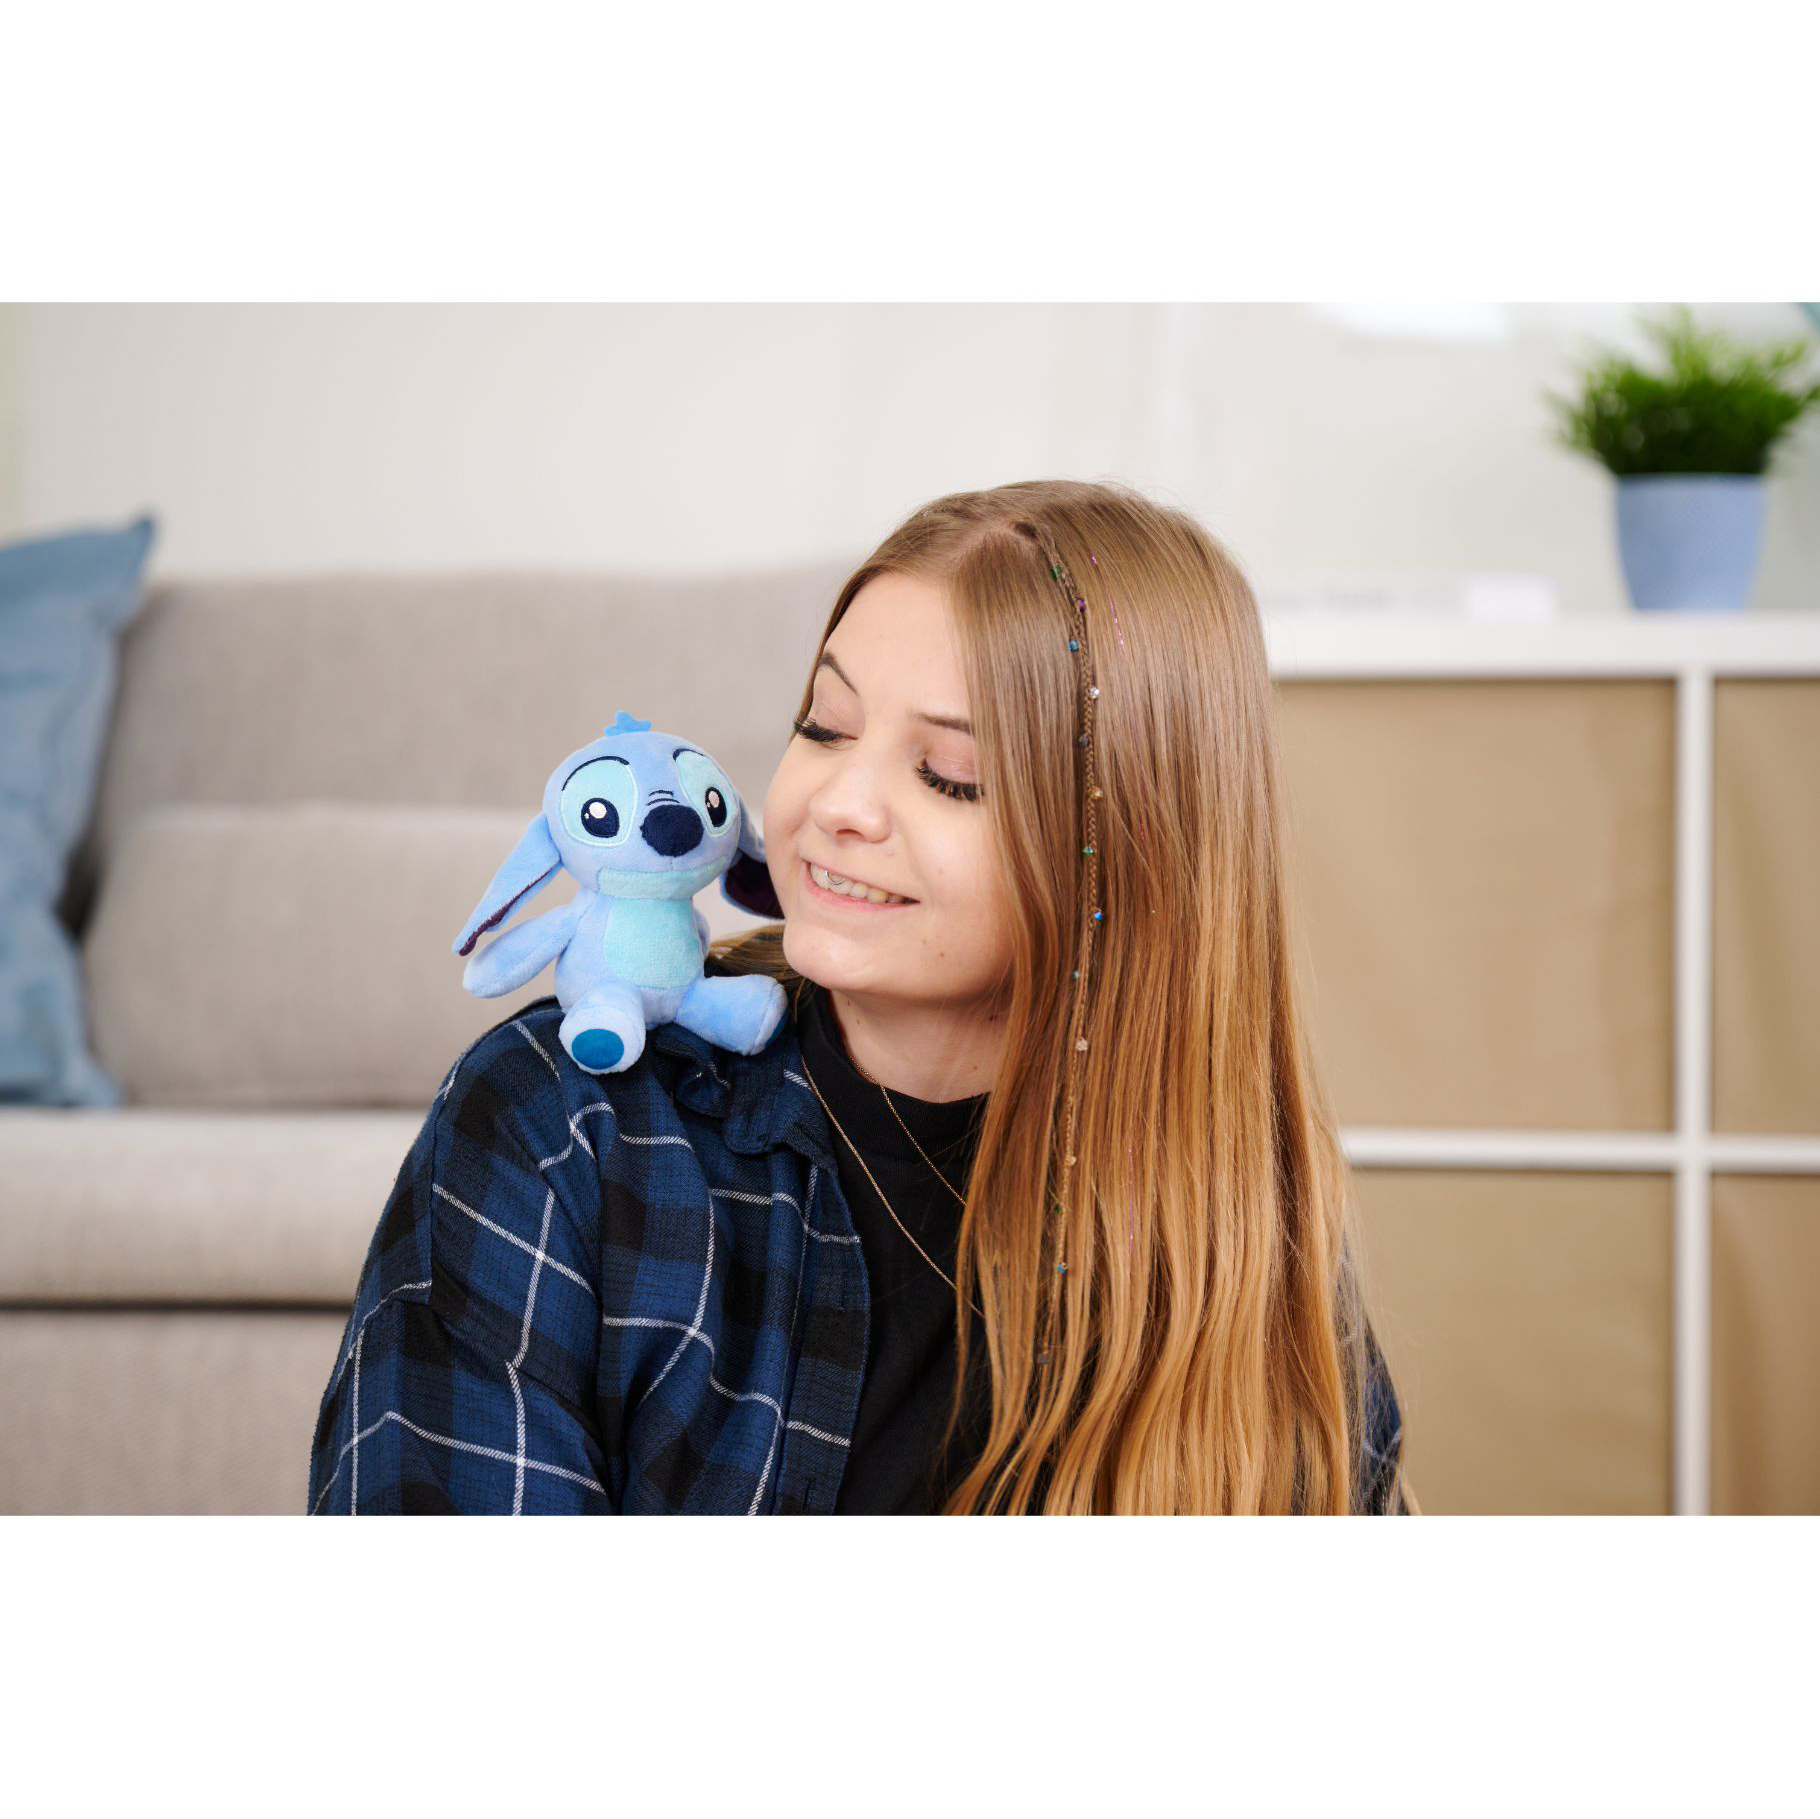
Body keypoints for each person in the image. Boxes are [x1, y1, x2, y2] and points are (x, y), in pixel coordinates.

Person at [307, 477, 1416, 1515]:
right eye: (824, 725)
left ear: (1130, 851)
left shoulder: (1235, 1238)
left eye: (950, 776)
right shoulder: (563, 1122)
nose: (839, 801)